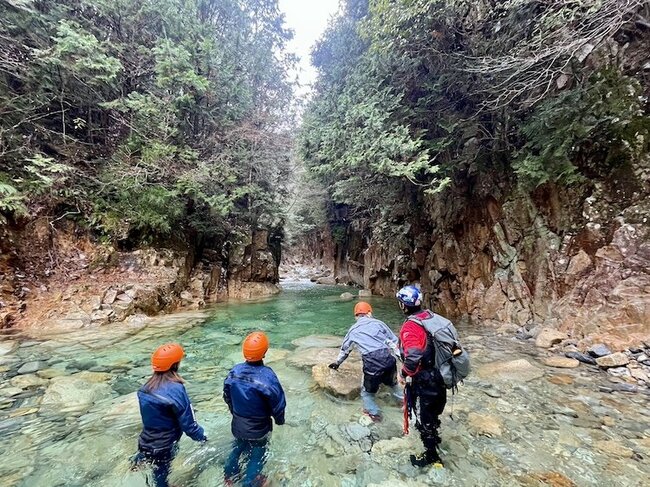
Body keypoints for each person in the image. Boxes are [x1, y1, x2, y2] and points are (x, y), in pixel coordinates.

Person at [133, 343, 207, 487]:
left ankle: (137, 462)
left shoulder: (145, 389)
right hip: (164, 447)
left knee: (153, 467)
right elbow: (189, 425)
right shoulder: (177, 390)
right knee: (161, 479)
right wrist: (203, 438)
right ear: (175, 365)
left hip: (145, 442)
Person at [223, 331, 286, 487]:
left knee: (238, 446)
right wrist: (279, 420)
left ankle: (229, 476)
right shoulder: (268, 376)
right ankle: (250, 482)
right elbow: (278, 403)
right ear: (264, 352)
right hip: (259, 428)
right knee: (257, 455)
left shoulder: (234, 372)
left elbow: (226, 395)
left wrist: (234, 412)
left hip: (237, 424)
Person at [396, 285, 447, 468]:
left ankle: (432, 458)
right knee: (432, 413)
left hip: (425, 379)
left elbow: (414, 356)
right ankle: (434, 434)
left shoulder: (411, 326)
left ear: (404, 305)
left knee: (424, 418)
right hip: (440, 374)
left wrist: (403, 373)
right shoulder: (429, 317)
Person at [328, 301, 402, 422]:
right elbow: (394, 343)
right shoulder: (379, 323)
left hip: (372, 363)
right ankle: (402, 403)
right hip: (389, 360)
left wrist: (337, 363)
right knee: (393, 384)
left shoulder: (353, 330)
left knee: (367, 393)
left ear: (356, 316)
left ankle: (375, 414)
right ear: (369, 313)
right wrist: (403, 361)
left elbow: (345, 350)